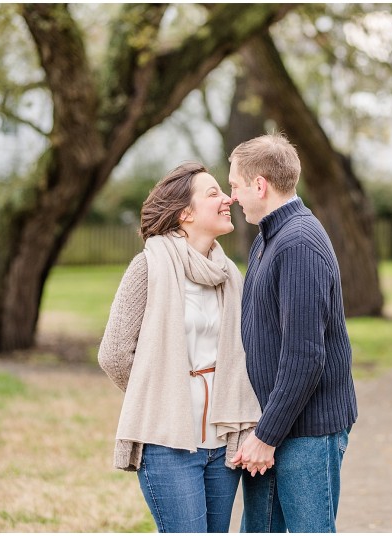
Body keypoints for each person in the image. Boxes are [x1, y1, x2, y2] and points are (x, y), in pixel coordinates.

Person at [98, 161, 261, 533]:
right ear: (185, 213)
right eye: (214, 193)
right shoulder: (148, 267)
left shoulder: (229, 274)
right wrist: (159, 396)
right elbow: (113, 354)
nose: (228, 199)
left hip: (222, 443)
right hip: (167, 442)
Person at [228, 133, 358, 533]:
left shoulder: (299, 242)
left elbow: (305, 357)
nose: (233, 196)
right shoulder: (268, 238)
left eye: (235, 185)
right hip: (275, 427)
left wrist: (265, 436)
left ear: (260, 185)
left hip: (307, 432)